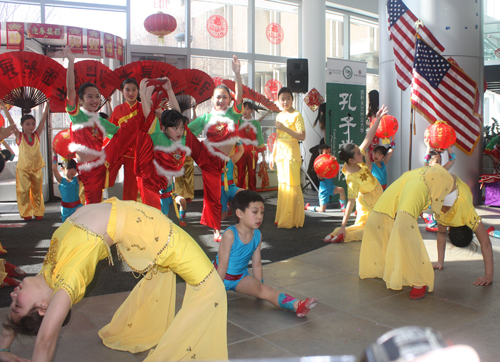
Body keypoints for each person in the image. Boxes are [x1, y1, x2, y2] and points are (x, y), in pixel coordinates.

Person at [0, 198, 228, 361]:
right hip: (159, 235)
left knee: (164, 271)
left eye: (13, 302)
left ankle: (145, 327)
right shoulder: (67, 283)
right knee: (213, 287)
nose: (12, 295)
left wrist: (3, 349)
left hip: (143, 221)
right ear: (43, 308)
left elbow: (13, 323)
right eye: (18, 304)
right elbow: (44, 341)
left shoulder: (48, 273)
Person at [359, 165, 492, 300]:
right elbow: (485, 244)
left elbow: (441, 235)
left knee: (376, 218)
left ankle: (391, 269)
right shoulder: (468, 213)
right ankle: (419, 279)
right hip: (424, 180)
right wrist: (489, 275)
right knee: (402, 221)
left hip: (415, 174)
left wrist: (440, 262)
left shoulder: (447, 216)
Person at [215, 190, 317, 317]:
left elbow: (257, 264)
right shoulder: (230, 235)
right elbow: (223, 266)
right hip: (218, 277)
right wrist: (216, 291)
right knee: (205, 300)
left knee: (266, 290)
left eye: (262, 212)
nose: (260, 217)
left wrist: (259, 287)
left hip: (240, 278)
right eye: (255, 212)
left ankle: (298, 305)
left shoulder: (257, 234)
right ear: (239, 213)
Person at [63, 46, 136, 204]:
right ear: (80, 100)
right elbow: (70, 91)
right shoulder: (78, 117)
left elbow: (120, 133)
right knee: (90, 202)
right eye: (90, 97)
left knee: (93, 202)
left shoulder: (101, 121)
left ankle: (92, 226)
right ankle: (89, 226)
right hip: (86, 169)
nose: (95, 100)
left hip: (100, 168)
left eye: (97, 96)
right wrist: (70, 62)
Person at [188, 56, 243, 241]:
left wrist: (237, 74)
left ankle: (238, 224)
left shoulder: (233, 114)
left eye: (225, 97)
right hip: (211, 165)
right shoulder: (205, 119)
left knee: (234, 196)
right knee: (214, 200)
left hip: (227, 165)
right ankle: (216, 229)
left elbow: (241, 98)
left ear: (229, 100)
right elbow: (187, 133)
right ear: (212, 99)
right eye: (218, 97)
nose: (221, 100)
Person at [323, 106, 388, 243]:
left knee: (367, 226)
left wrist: (378, 119)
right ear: (351, 160)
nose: (362, 153)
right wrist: (342, 225)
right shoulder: (351, 179)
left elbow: (368, 138)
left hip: (375, 196)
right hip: (369, 202)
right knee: (375, 230)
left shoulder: (355, 161)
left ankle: (337, 233)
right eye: (359, 153)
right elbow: (350, 203)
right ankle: (342, 234)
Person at [136, 78, 191, 215]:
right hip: (151, 182)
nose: (179, 131)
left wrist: (169, 90)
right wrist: (144, 95)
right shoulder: (159, 138)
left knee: (163, 214)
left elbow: (178, 115)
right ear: (164, 128)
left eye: (180, 128)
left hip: (166, 184)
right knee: (154, 215)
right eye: (174, 128)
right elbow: (148, 116)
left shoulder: (181, 139)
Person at [0, 100, 49, 220]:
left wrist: (47, 105)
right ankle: (26, 212)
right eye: (27, 124)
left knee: (37, 191)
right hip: (23, 168)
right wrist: (3, 107)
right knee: (23, 191)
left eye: (33, 124)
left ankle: (38, 211)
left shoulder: (36, 134)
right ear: (22, 125)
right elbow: (11, 121)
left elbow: (43, 120)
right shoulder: (19, 136)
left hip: (36, 167)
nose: (31, 126)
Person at [269, 87, 306, 228]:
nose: (285, 101)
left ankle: (292, 219)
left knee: (292, 185)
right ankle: (283, 216)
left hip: (292, 154)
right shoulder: (279, 116)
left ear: (293, 99)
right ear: (278, 100)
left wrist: (284, 128)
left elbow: (302, 135)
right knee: (283, 186)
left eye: (288, 98)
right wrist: (272, 156)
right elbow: (277, 138)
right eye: (282, 99)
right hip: (281, 155)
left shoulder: (297, 115)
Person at [107, 78, 143, 201]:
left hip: (138, 151)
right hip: (121, 151)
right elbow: (111, 132)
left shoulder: (144, 109)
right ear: (122, 91)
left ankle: (136, 211)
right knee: (108, 177)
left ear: (138, 91)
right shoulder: (118, 110)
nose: (131, 93)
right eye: (127, 90)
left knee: (136, 186)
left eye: (134, 90)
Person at [422, 139, 456, 232]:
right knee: (432, 218)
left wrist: (449, 146)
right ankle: (428, 217)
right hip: (429, 202)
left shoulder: (442, 169)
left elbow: (452, 160)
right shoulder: (428, 169)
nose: (439, 164)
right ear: (430, 162)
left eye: (440, 161)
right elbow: (425, 160)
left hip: (440, 200)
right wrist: (428, 147)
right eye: (437, 161)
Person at [236, 102, 268, 191]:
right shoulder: (238, 121)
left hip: (252, 152)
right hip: (240, 151)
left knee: (252, 173)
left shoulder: (256, 123)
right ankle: (240, 193)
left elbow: (260, 139)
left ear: (251, 111)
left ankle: (252, 193)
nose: (245, 111)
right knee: (240, 173)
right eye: (243, 108)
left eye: (247, 109)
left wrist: (264, 157)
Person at [305, 144, 346, 212]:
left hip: (331, 188)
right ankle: (308, 207)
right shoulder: (320, 166)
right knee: (322, 210)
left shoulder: (332, 164)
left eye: (330, 152)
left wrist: (335, 169)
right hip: (323, 191)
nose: (329, 154)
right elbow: (320, 179)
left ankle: (343, 208)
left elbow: (334, 176)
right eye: (326, 153)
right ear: (320, 155)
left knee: (341, 190)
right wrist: (321, 177)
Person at [52, 156, 82, 222]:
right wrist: (55, 155)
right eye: (69, 168)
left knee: (78, 223)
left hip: (77, 207)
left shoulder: (76, 179)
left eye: (74, 168)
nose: (72, 170)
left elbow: (83, 171)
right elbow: (54, 169)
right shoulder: (60, 180)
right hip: (65, 209)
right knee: (66, 226)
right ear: (62, 169)